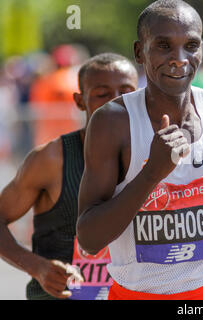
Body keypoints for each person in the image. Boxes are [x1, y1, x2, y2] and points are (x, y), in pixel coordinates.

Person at [77, 0, 203, 300]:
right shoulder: (113, 123)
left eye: (191, 45)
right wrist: (151, 173)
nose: (179, 59)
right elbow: (89, 238)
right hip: (139, 294)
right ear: (140, 52)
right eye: (164, 46)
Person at [0, 53, 139, 300]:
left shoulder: (155, 154)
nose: (116, 100)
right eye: (102, 93)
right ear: (79, 101)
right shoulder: (51, 159)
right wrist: (36, 267)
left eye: (126, 91)